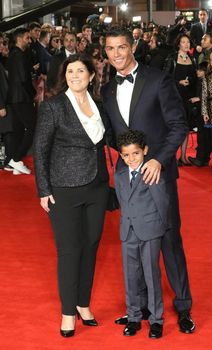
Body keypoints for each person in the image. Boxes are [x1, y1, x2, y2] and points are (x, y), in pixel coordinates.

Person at [102, 27, 195, 334]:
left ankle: (183, 307)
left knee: (169, 240)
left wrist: (157, 159)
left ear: (133, 47)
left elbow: (179, 125)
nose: (116, 54)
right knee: (134, 241)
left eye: (122, 47)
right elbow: (114, 135)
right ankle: (140, 307)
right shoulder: (107, 89)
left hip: (158, 175)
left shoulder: (157, 79)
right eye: (111, 48)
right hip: (128, 179)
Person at [33, 53, 110, 337]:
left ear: (91, 75)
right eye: (70, 72)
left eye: (80, 71)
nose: (75, 76)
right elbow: (40, 149)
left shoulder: (99, 104)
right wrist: (43, 189)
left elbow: (107, 139)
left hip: (98, 186)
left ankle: (83, 304)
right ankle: (67, 312)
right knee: (69, 250)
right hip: (64, 188)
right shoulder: (53, 106)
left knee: (91, 246)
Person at [114, 129, 170, 339]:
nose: (131, 159)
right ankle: (134, 317)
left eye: (136, 153)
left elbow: (162, 202)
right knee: (130, 277)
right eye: (126, 155)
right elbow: (122, 201)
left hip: (150, 231)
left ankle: (156, 320)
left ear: (145, 151)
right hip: (127, 232)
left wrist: (161, 228)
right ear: (120, 155)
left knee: (151, 275)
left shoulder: (151, 171)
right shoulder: (119, 175)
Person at [164, 33, 197, 166]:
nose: (186, 44)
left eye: (188, 42)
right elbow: (165, 78)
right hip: (174, 97)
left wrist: (192, 82)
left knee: (185, 128)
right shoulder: (172, 58)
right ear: (179, 44)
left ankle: (183, 157)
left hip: (188, 98)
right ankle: (170, 157)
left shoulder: (192, 59)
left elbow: (194, 79)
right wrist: (178, 83)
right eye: (183, 42)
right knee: (174, 128)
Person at [7, 27, 36, 175]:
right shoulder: (19, 55)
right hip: (22, 97)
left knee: (18, 130)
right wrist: (34, 93)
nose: (29, 41)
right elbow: (24, 79)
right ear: (19, 39)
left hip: (14, 98)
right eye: (27, 38)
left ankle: (13, 161)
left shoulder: (13, 54)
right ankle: (17, 159)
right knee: (33, 127)